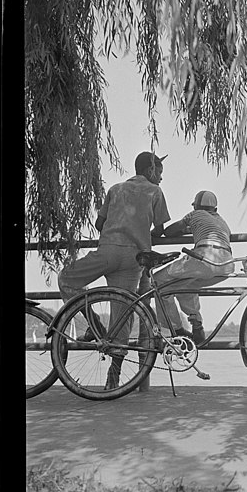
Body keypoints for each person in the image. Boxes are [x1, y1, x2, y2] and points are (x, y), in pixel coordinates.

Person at [58, 151, 171, 388]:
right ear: (150, 170)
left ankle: (93, 324)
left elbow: (99, 223)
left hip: (107, 251)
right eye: (159, 172)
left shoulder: (116, 189)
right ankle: (114, 375)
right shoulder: (155, 191)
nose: (161, 177)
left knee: (67, 279)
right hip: (133, 259)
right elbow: (160, 229)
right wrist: (142, 231)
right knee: (124, 312)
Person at [153, 190, 234, 345]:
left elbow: (169, 231)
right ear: (215, 209)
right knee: (185, 285)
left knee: (158, 281)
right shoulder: (222, 222)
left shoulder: (195, 214)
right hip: (226, 264)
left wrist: (185, 228)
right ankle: (197, 325)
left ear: (196, 206)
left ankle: (175, 329)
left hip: (205, 257)